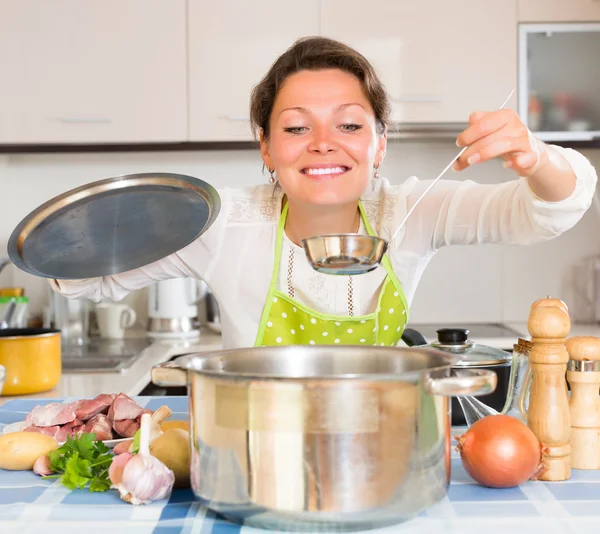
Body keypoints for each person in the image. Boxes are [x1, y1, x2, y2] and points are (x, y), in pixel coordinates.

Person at [49, 36, 597, 350]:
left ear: (380, 144)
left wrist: (535, 156)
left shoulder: (411, 210)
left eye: (350, 126)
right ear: (265, 147)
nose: (323, 145)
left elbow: (551, 211)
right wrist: (90, 227)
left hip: (376, 456)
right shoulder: (224, 223)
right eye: (295, 128)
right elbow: (84, 277)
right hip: (257, 458)